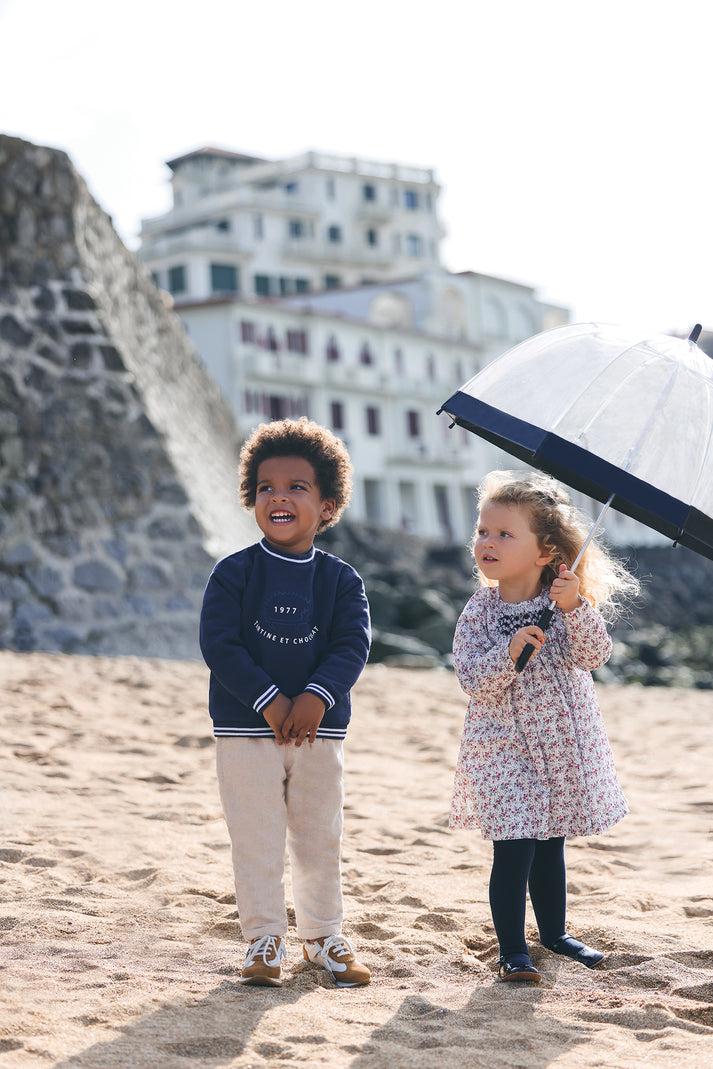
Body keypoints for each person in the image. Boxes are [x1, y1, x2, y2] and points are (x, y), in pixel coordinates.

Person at [199, 418, 371, 988]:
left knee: (319, 834)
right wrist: (271, 701)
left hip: (321, 734)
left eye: (298, 487)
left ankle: (323, 936)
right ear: (253, 498)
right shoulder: (233, 573)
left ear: (327, 505)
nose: (280, 497)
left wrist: (317, 698)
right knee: (256, 837)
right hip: (244, 732)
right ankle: (263, 939)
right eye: (267, 487)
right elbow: (219, 646)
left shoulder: (342, 580)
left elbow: (352, 646)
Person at [449, 470, 639, 982]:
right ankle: (513, 949)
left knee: (550, 840)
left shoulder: (565, 604)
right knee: (513, 845)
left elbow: (595, 654)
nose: (487, 542)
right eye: (482, 531)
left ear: (544, 551)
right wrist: (508, 653)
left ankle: (554, 933)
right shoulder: (480, 612)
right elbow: (473, 679)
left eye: (504, 534)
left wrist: (574, 607)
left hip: (559, 745)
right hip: (503, 748)